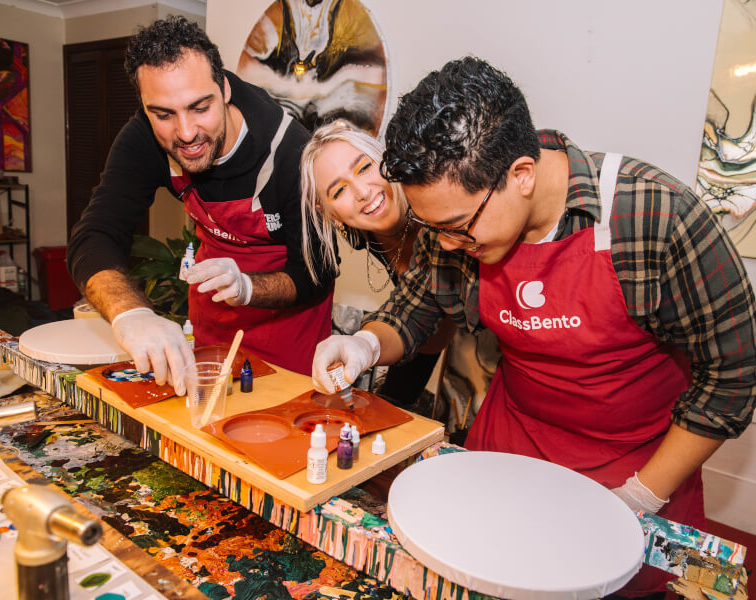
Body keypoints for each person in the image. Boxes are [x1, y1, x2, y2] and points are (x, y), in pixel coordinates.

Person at [311, 57, 756, 597]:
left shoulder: (656, 217)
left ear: (521, 174)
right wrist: (362, 344)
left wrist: (642, 495)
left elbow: (733, 375)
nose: (446, 243)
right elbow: (415, 309)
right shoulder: (457, 215)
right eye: (434, 227)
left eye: (457, 228)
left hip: (636, 461)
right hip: (510, 446)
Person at [67, 16, 335, 394]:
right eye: (163, 114)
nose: (186, 132)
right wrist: (132, 313)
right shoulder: (144, 138)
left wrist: (246, 287)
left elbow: (316, 272)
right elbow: (94, 234)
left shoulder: (291, 152)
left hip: (289, 337)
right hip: (211, 328)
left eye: (199, 107)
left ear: (224, 88)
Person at [299, 120, 454, 408]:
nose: (362, 192)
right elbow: (414, 307)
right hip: (418, 327)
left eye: (364, 167)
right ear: (329, 212)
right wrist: (365, 343)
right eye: (338, 191)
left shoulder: (433, 204)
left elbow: (434, 301)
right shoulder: (363, 233)